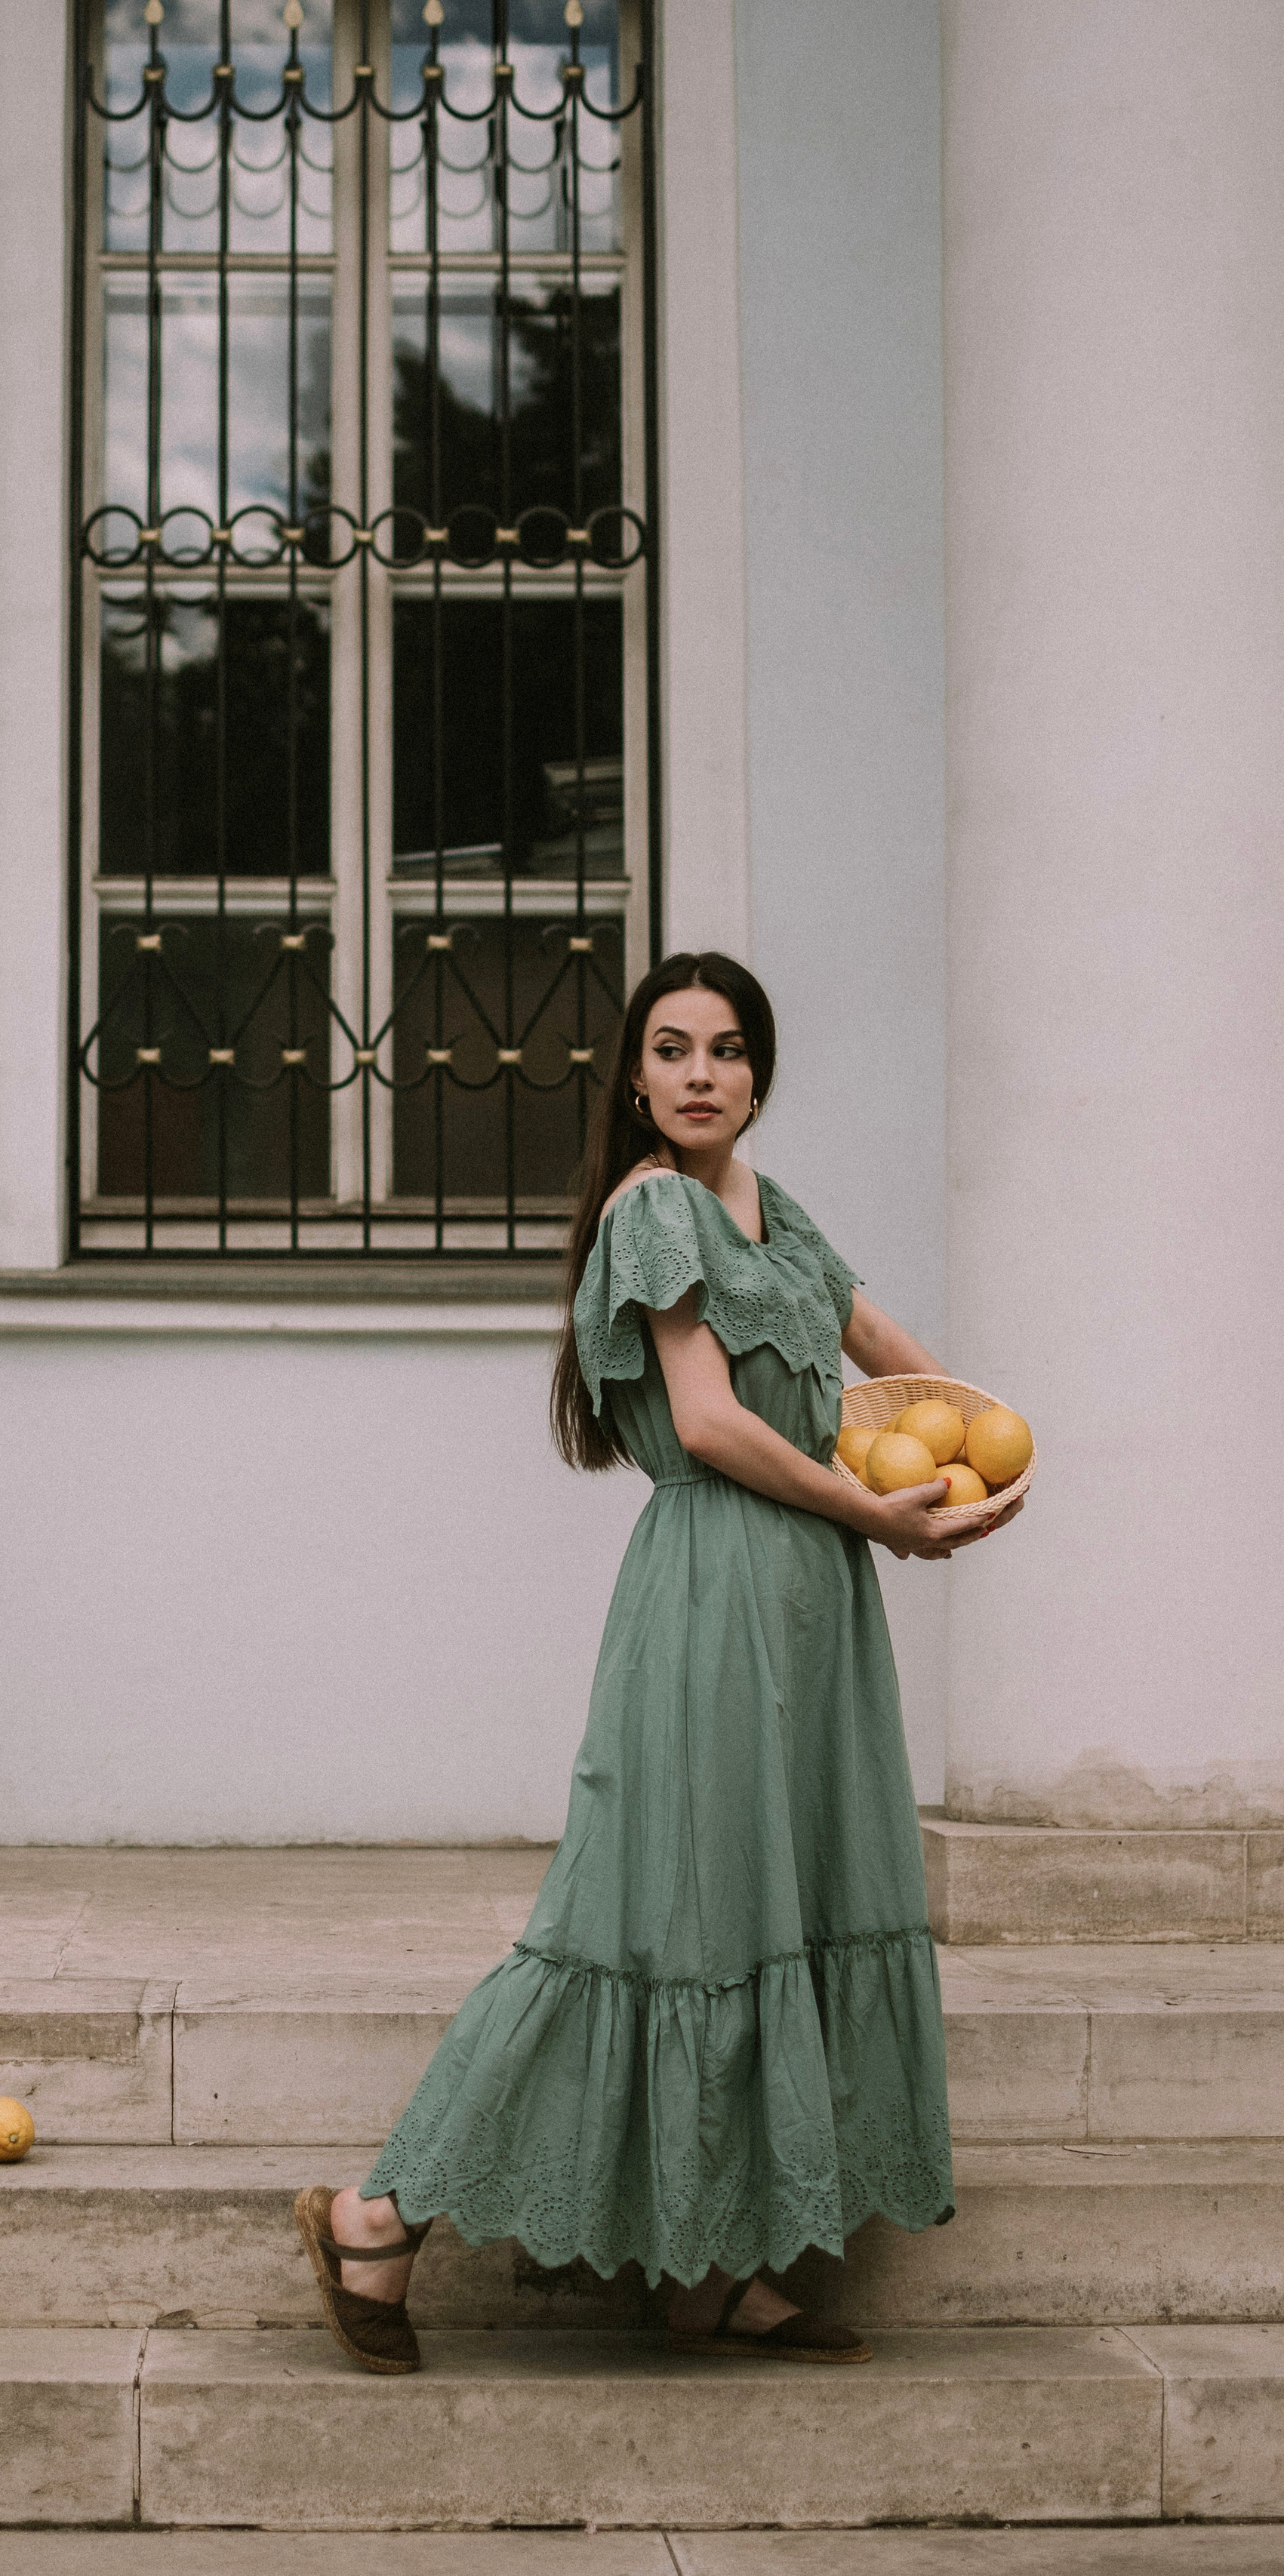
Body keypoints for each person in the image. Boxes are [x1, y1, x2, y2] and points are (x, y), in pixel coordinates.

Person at [295, 950, 1023, 2372]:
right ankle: (371, 2214)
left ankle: (716, 2272)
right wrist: (877, 1510)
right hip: (715, 1591)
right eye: (675, 1048)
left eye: (730, 1049)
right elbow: (705, 1420)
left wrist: (988, 1448)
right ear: (634, 1074)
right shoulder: (651, 1209)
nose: (703, 1073)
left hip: (815, 1609)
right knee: (633, 1926)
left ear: (759, 1073)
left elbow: (897, 1360)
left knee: (775, 1917)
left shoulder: (774, 1209)